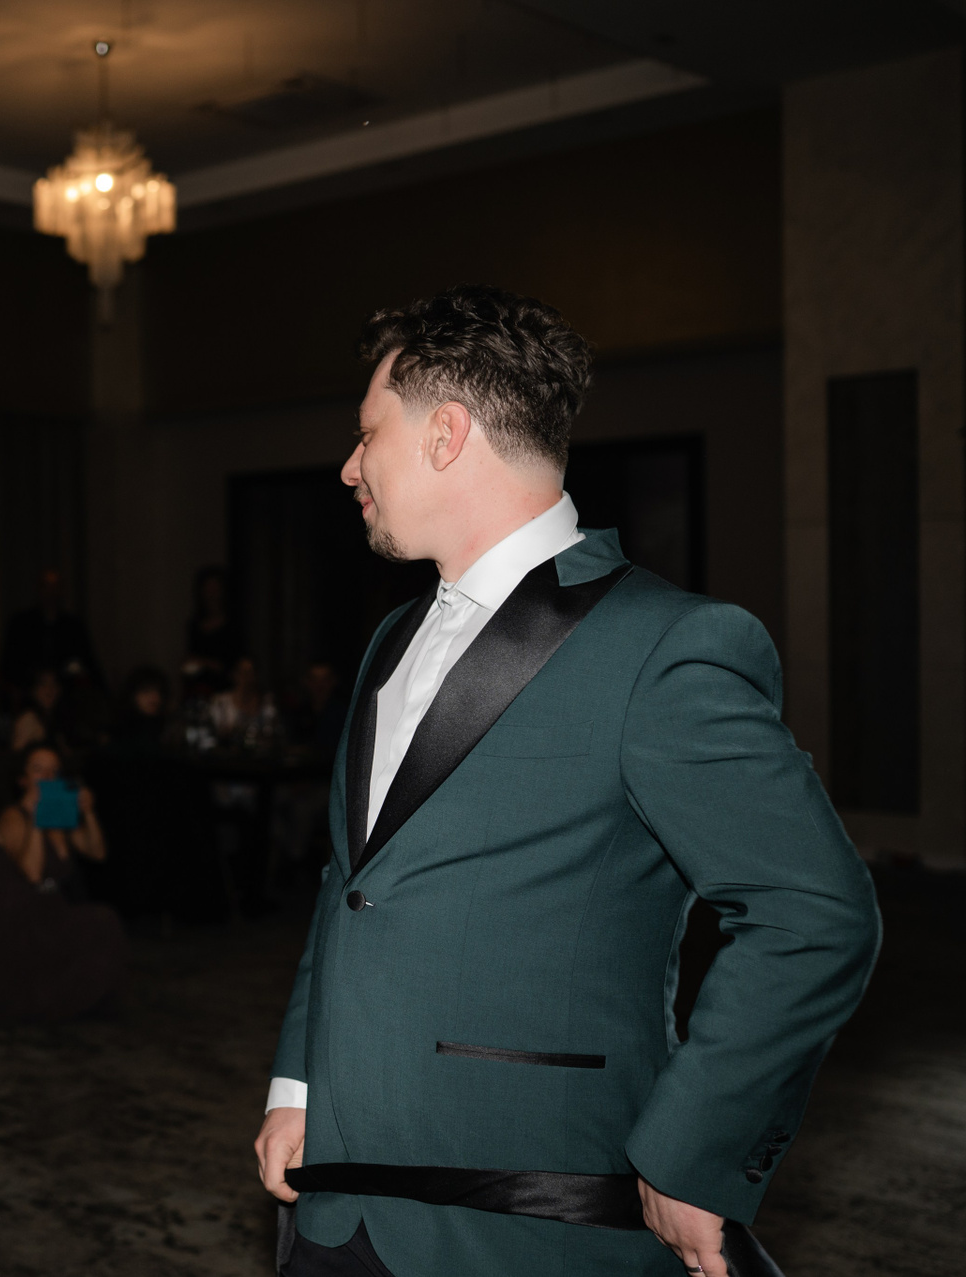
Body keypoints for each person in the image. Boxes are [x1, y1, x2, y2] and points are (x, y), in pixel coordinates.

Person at [253, 286, 880, 1277]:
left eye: (367, 435)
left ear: (447, 435)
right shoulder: (390, 638)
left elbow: (815, 911)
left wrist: (696, 1149)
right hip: (337, 1206)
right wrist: (298, 1083)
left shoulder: (665, 647)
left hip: (530, 1219)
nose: (349, 466)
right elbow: (352, 878)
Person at [0, 744, 124, 1021]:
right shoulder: (12, 818)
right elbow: (33, 873)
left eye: (53, 771)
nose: (47, 776)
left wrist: (89, 812)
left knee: (104, 921)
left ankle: (78, 999)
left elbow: (98, 852)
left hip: (51, 908)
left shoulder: (59, 816)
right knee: (98, 921)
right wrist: (37, 818)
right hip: (19, 914)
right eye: (38, 769)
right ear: (23, 779)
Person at [0, 568, 102, 697]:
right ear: (38, 589)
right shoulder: (21, 624)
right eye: (46, 586)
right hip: (28, 692)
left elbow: (87, 662)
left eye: (55, 587)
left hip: (67, 694)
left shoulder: (73, 626)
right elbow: (9, 664)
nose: (51, 592)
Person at [182, 566, 243, 697]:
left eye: (215, 588)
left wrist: (205, 662)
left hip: (226, 690)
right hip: (198, 690)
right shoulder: (194, 624)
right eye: (207, 588)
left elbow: (234, 665)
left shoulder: (233, 625)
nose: (211, 593)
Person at [285, 660, 350, 758]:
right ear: (306, 682)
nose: (319, 685)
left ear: (333, 681)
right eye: (314, 679)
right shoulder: (299, 712)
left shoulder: (344, 714)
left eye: (325, 680)